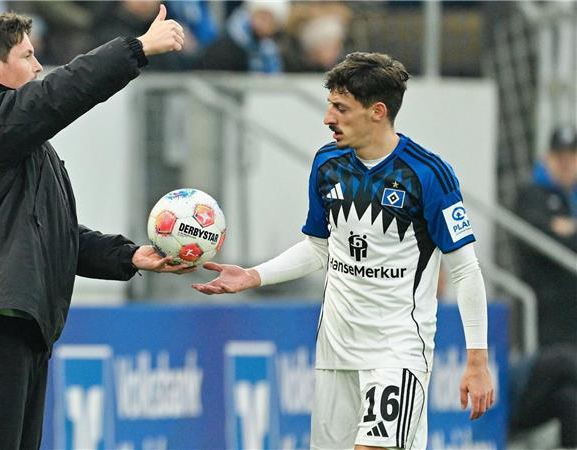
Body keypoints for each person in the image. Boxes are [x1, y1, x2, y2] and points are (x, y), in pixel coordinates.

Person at [193, 52, 494, 449]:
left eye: (340, 108)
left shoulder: (428, 174)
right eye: (329, 106)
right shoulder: (327, 164)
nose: (327, 118)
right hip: (335, 349)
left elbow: (466, 271)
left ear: (377, 112)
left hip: (396, 350)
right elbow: (319, 248)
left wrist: (477, 360)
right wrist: (253, 275)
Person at [0, 10, 186, 449]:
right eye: (28, 55)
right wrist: (135, 49)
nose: (39, 67)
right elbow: (55, 96)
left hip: (17, 323)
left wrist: (129, 256)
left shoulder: (12, 140)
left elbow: (55, 233)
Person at [514, 126, 577, 348]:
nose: (566, 163)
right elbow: (534, 237)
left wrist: (568, 229)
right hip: (546, 315)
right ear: (547, 158)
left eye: (572, 156)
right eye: (560, 156)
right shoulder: (532, 194)